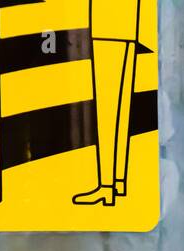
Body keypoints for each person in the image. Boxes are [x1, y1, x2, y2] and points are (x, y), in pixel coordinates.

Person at [73, 0, 143, 206]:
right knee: (120, 105)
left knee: (108, 108)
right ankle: (117, 182)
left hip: (109, 16)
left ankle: (106, 186)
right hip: (124, 19)